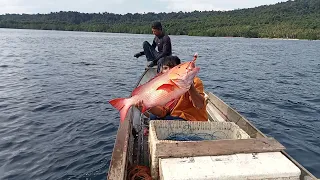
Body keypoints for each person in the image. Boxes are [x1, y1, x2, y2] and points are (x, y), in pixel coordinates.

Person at [137, 56, 208, 121]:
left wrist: (190, 85)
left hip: (192, 119)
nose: (169, 71)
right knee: (153, 117)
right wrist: (147, 106)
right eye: (165, 68)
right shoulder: (163, 86)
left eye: (173, 68)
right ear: (161, 72)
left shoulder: (195, 81)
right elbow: (162, 112)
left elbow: (199, 105)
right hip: (175, 118)